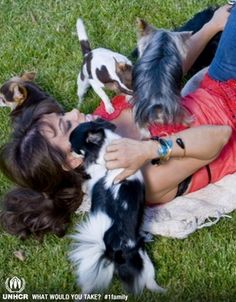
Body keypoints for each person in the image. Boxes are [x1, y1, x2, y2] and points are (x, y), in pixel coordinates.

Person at [0, 4, 234, 238]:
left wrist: (211, 26)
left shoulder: (104, 119)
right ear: (72, 160)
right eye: (67, 124)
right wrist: (148, 149)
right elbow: (220, 135)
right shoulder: (135, 180)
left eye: (63, 116)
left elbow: (161, 78)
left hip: (219, 82)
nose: (74, 111)